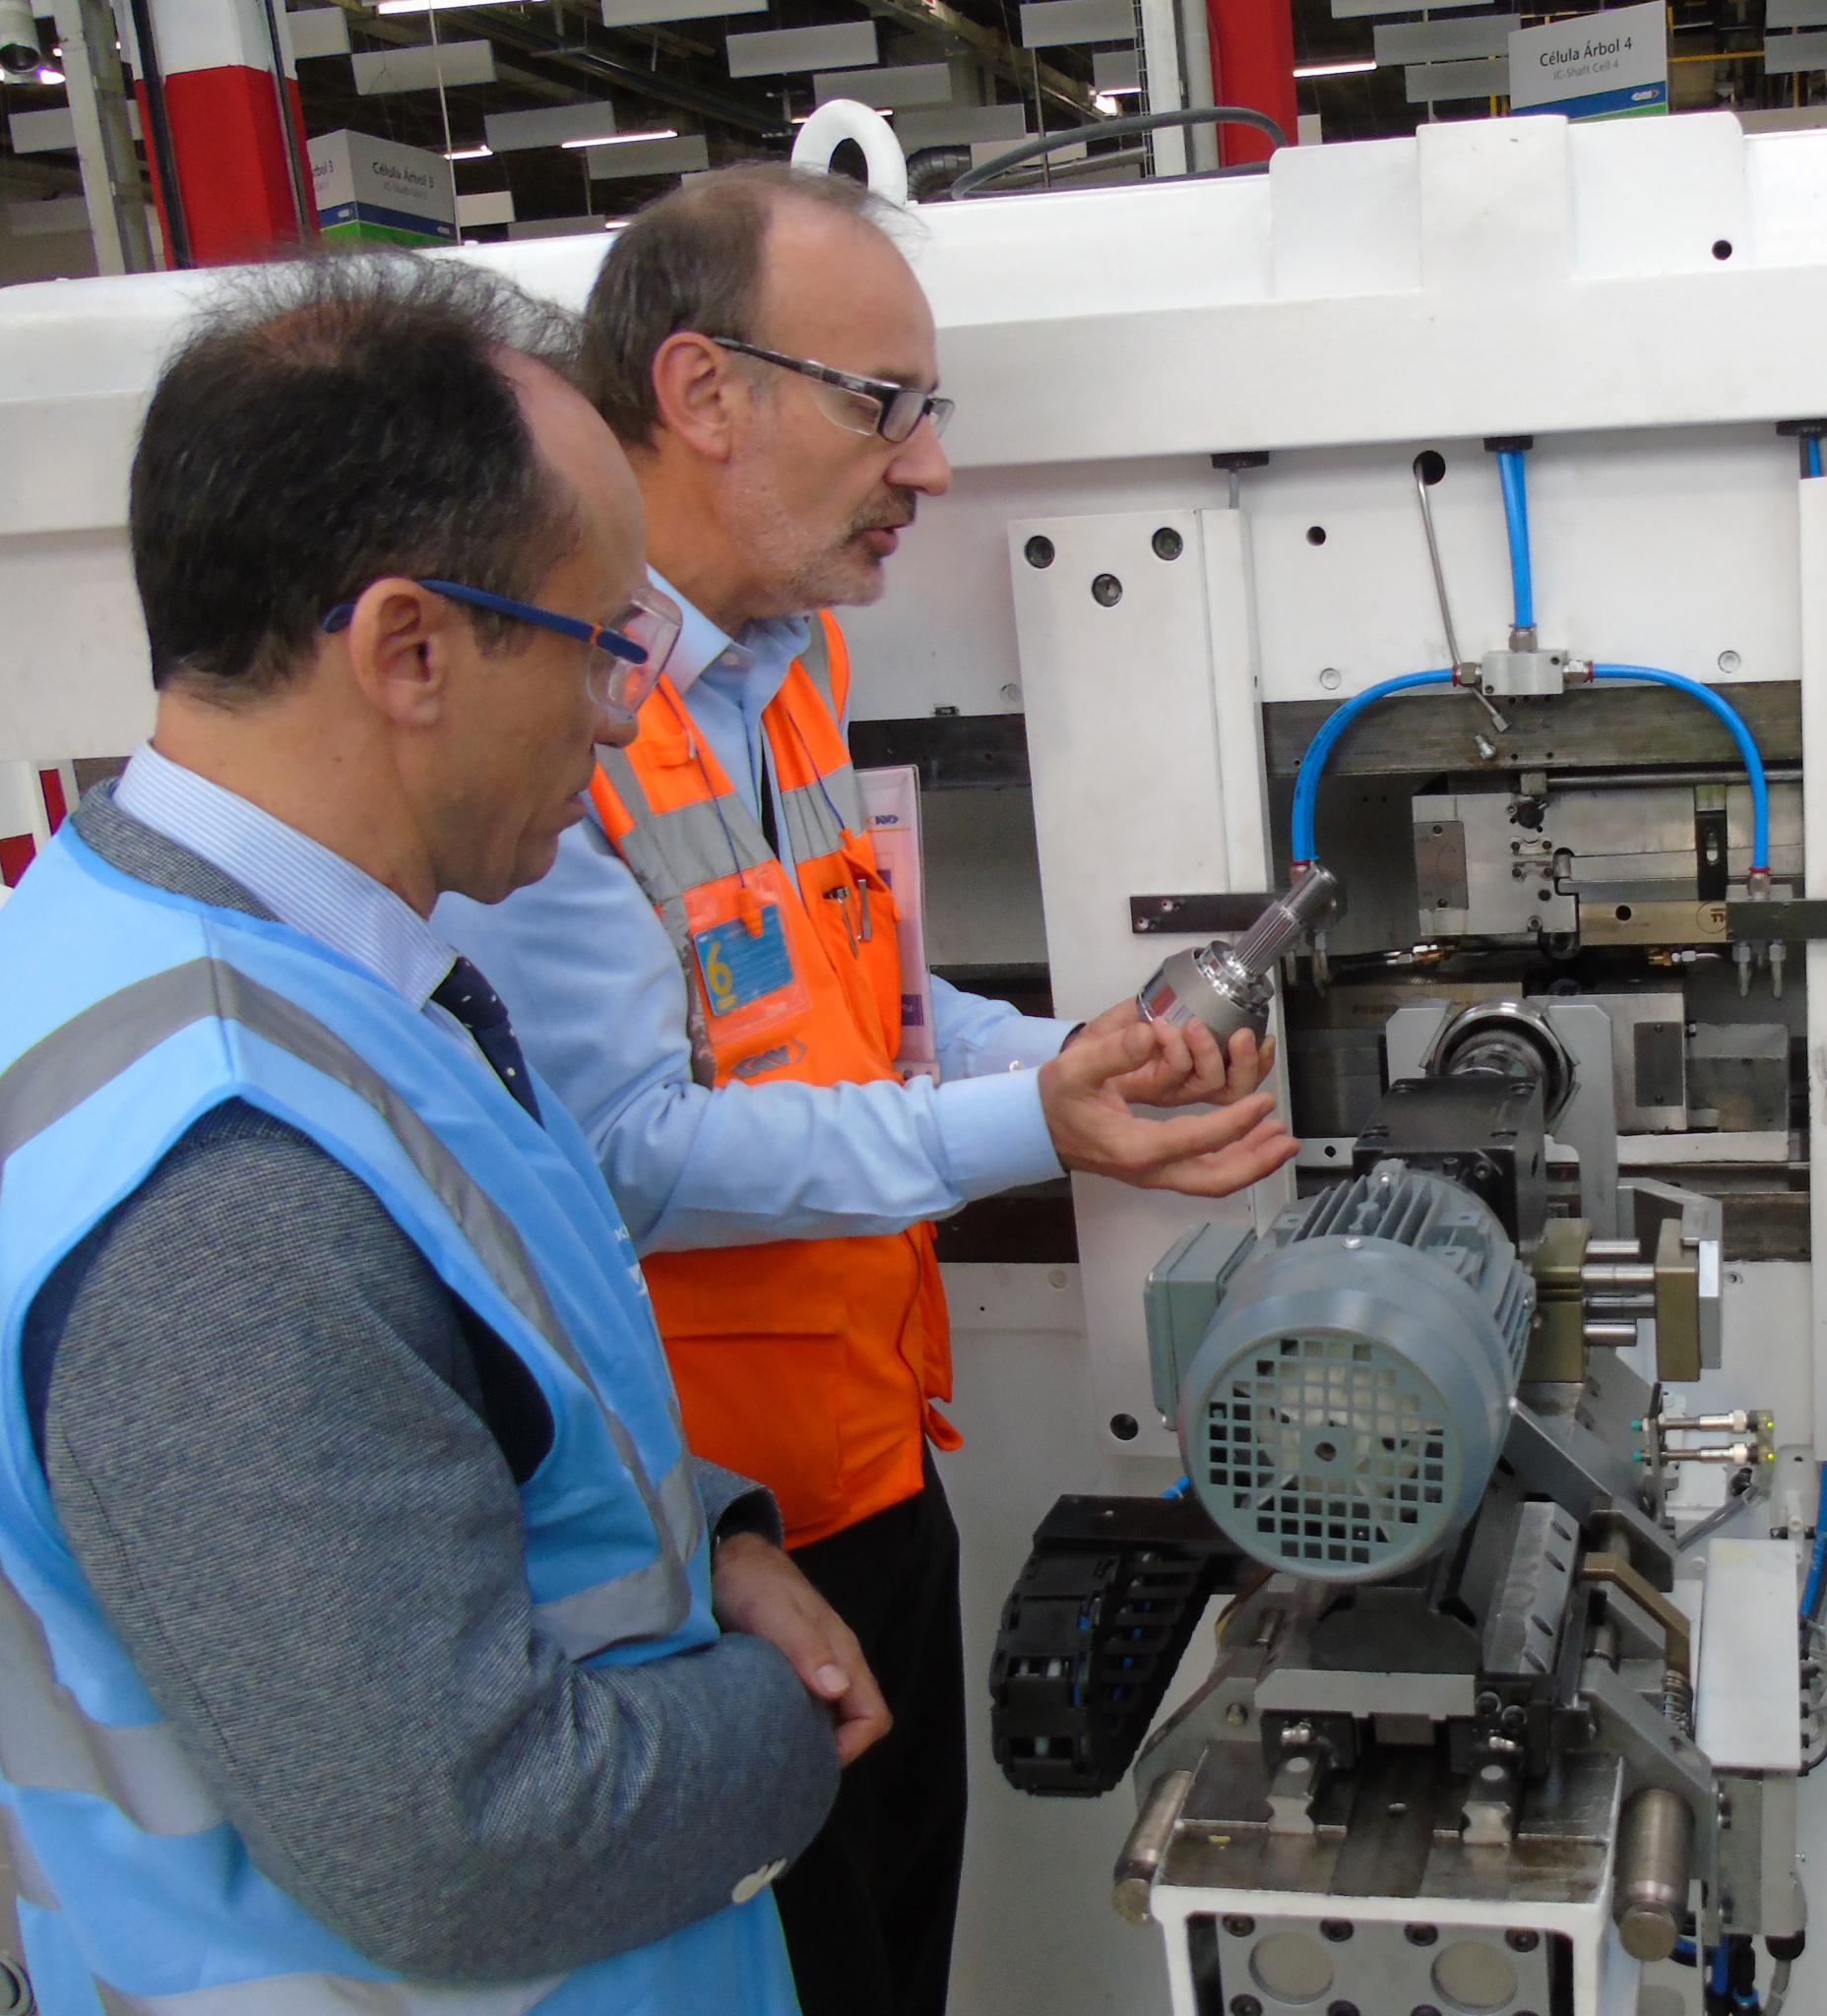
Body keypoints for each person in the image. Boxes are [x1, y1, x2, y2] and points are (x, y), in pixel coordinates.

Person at [435, 164, 1297, 2016]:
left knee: (898, 1962)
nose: (932, 467)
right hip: (694, 1540)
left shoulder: (788, 670)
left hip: (875, 1469)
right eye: (883, 405)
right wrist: (1029, 1128)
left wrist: (1071, 1056)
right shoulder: (554, 719)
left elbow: (869, 1008)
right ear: (701, 390)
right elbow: (617, 1157)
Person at [0, 254, 882, 2011]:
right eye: (603, 642)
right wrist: (781, 1722)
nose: (625, 712)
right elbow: (468, 1844)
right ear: (409, 649)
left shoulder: (262, 965)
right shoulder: (222, 1186)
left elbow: (456, 1394)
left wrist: (711, 1539)